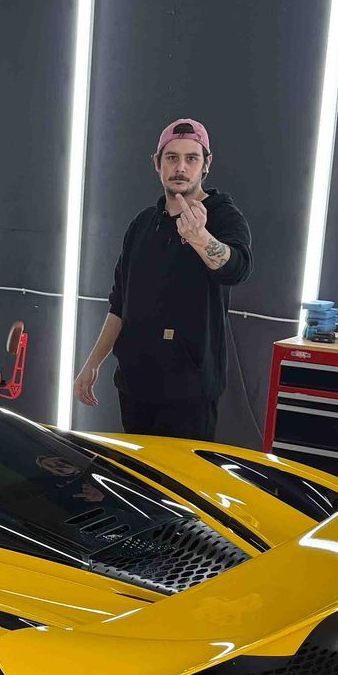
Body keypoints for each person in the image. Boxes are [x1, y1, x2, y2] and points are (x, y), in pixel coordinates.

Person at [74, 117, 252, 439]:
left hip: (190, 394)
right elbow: (119, 303)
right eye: (172, 158)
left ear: (206, 165)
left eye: (191, 158)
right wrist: (93, 363)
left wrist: (200, 238)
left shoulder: (223, 216)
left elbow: (237, 268)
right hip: (135, 386)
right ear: (157, 164)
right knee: (137, 481)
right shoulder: (142, 225)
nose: (181, 167)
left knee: (180, 485)